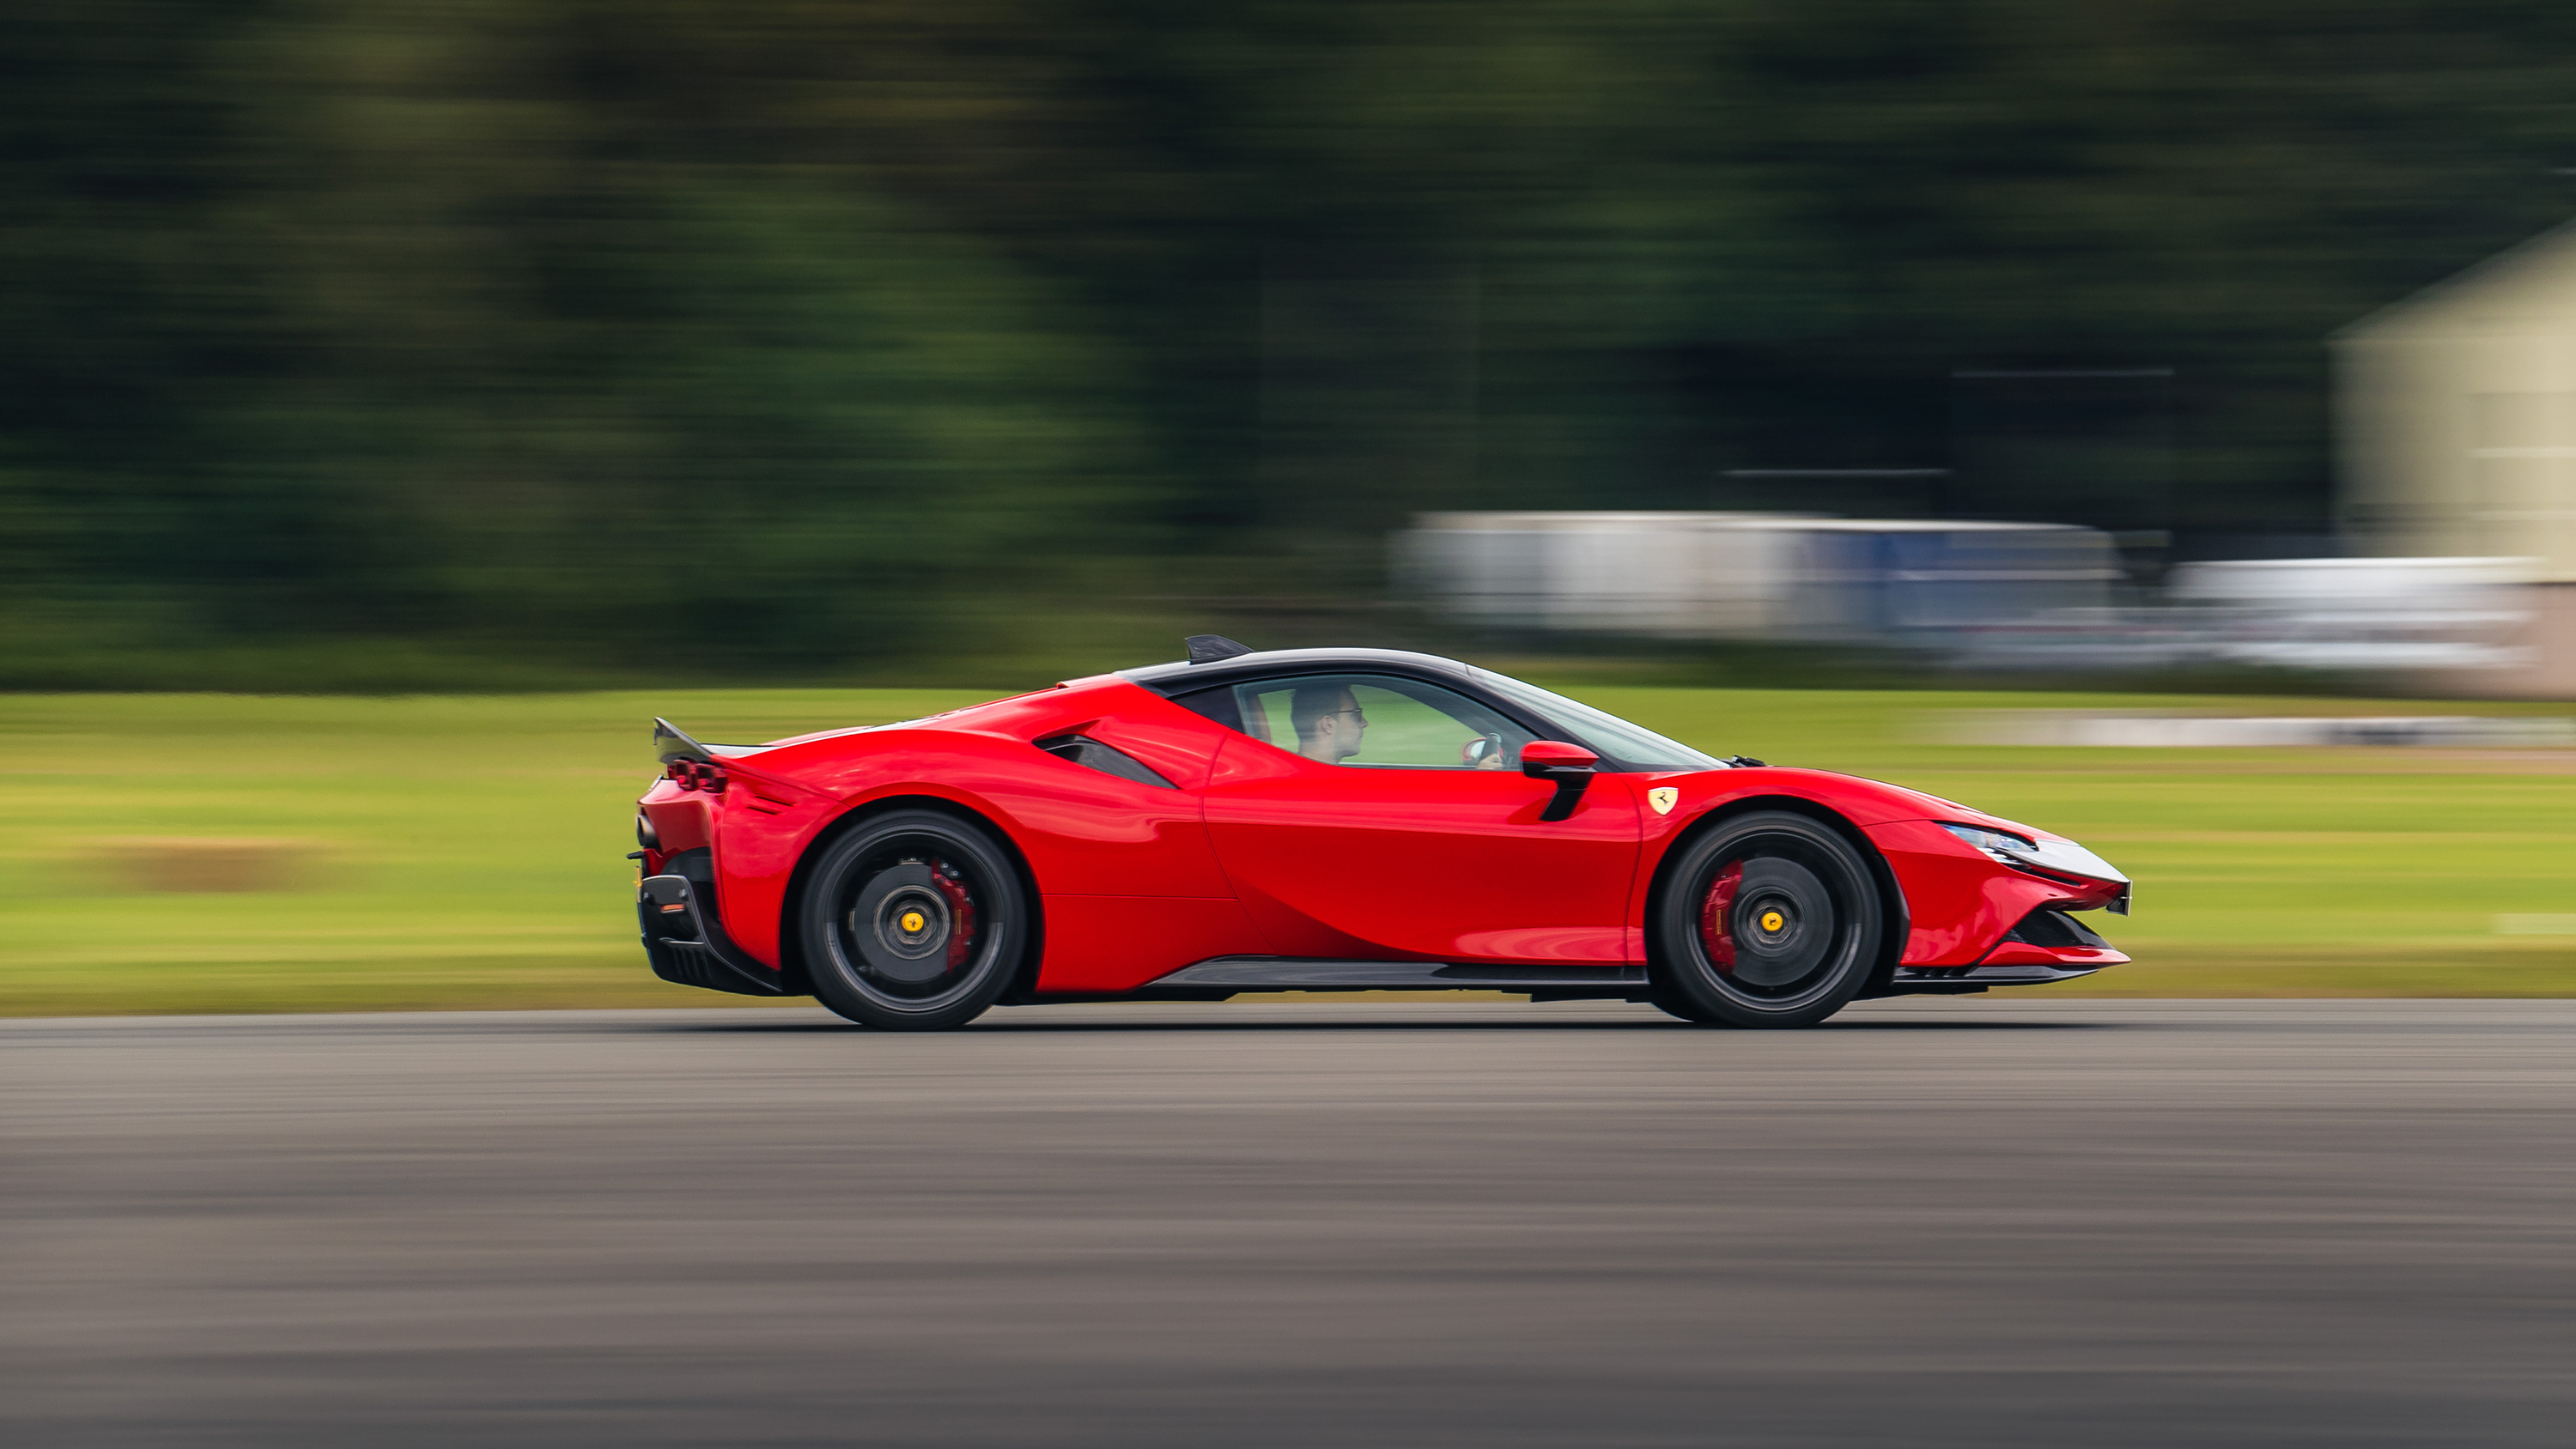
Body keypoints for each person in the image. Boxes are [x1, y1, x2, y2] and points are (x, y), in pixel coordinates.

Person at [1290, 683, 1367, 764]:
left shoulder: (1293, 772)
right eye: (1356, 715)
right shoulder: (1317, 776)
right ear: (1328, 724)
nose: (1365, 723)